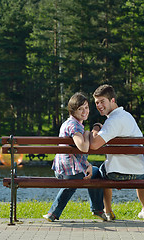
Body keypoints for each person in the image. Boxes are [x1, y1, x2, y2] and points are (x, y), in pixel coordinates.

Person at [89, 84, 144, 221]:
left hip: (116, 174)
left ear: (112, 100)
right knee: (140, 173)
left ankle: (108, 211)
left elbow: (94, 145)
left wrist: (95, 128)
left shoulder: (113, 121)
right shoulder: (127, 116)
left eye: (102, 101)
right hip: (139, 173)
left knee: (99, 171)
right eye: (97, 103)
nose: (99, 105)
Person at [43, 92, 107, 222]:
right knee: (97, 174)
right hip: (69, 171)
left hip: (61, 169)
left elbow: (75, 154)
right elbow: (82, 147)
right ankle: (98, 210)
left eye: (86, 107)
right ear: (73, 110)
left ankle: (53, 213)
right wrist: (88, 134)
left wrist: (87, 165)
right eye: (80, 109)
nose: (85, 111)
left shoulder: (68, 123)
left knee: (86, 174)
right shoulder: (75, 126)